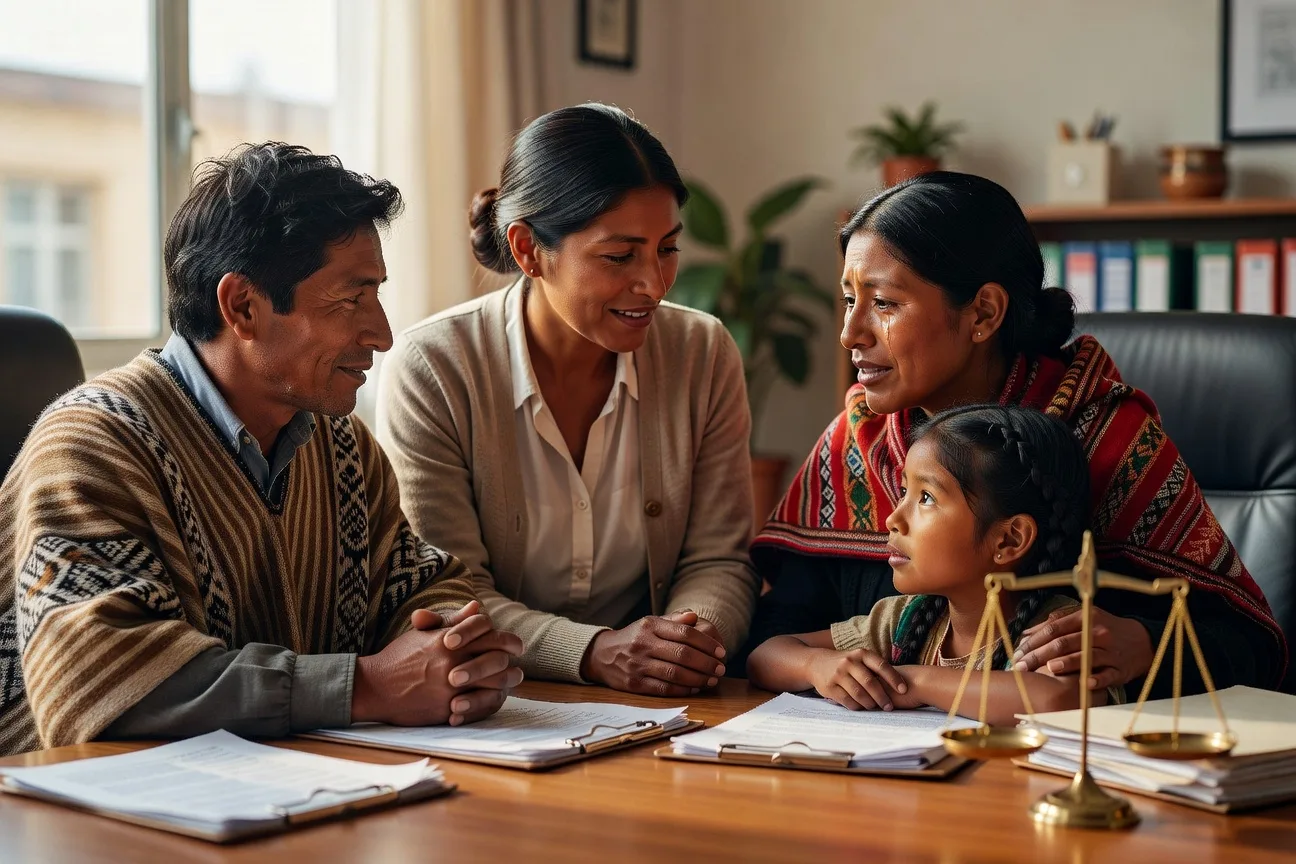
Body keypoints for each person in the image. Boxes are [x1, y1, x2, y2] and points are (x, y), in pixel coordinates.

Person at [0, 143, 523, 757]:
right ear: (242, 306)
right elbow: (97, 680)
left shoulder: (342, 445)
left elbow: (420, 585)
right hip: (79, 820)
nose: (381, 332)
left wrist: (452, 653)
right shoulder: (92, 445)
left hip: (280, 796)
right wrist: (369, 686)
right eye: (351, 299)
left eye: (376, 294)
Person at [745, 171, 1288, 696]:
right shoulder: (855, 441)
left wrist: (1146, 643)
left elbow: (1251, 650)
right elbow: (775, 634)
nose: (849, 333)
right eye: (848, 300)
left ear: (983, 313)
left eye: (884, 303)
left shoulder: (1106, 440)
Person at [378, 103, 759, 697]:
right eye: (619, 256)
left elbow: (719, 560)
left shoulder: (702, 353)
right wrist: (593, 652)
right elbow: (449, 590)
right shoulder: (434, 368)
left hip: (662, 706)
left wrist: (685, 643)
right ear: (528, 250)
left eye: (667, 249)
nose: (654, 284)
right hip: (499, 707)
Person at [748, 405, 1124, 725]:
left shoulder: (1055, 629)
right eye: (903, 492)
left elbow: (1057, 700)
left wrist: (912, 682)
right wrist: (817, 666)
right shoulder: (904, 621)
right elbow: (765, 656)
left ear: (1008, 540)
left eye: (925, 497)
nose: (894, 518)